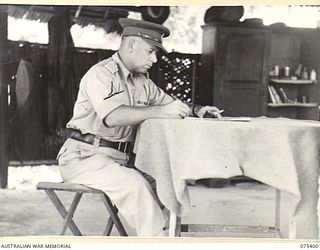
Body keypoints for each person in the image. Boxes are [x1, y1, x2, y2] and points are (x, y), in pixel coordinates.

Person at [57, 18, 222, 237]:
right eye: (150, 51)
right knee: (135, 185)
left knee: (167, 183)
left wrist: (198, 110)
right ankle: (156, 239)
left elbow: (168, 103)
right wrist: (161, 112)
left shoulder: (142, 82)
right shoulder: (101, 74)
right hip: (84, 158)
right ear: (131, 45)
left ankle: (164, 234)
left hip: (119, 161)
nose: (154, 59)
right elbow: (113, 117)